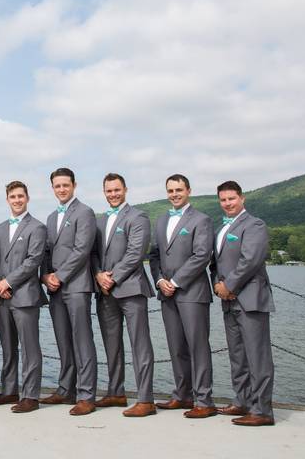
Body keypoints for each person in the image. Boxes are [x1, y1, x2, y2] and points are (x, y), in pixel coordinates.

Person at [148, 174, 217, 418]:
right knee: (176, 347)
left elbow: (201, 256)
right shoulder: (161, 219)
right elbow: (154, 255)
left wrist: (175, 282)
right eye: (170, 190)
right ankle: (183, 395)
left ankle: (204, 401)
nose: (174, 194)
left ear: (188, 191)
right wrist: (159, 280)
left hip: (192, 293)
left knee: (198, 347)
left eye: (179, 189)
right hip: (166, 293)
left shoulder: (202, 220)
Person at [210, 181, 276, 426]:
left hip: (250, 299)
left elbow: (250, 260)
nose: (227, 203)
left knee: (258, 357)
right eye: (223, 200)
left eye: (231, 198)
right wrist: (218, 285)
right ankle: (243, 401)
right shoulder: (221, 229)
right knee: (238, 355)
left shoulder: (255, 225)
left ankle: (262, 411)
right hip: (228, 301)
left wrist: (229, 285)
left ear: (242, 198)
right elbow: (215, 263)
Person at [92, 173, 156, 417]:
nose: (113, 194)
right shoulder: (99, 222)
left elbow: (135, 252)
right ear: (104, 192)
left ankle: (146, 399)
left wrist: (112, 277)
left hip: (130, 289)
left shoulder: (138, 217)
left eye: (117, 190)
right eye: (109, 191)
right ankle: (115, 393)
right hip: (104, 291)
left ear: (125, 190)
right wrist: (98, 274)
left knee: (140, 344)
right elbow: (92, 254)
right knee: (112, 345)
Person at [39, 167, 98, 415]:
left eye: (65, 185)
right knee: (63, 340)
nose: (61, 189)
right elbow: (47, 252)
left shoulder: (85, 212)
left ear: (74, 185)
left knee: (82, 340)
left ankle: (86, 395)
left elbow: (82, 250)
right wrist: (45, 276)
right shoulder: (52, 217)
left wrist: (60, 276)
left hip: (76, 286)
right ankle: (66, 390)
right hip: (55, 289)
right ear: (52, 188)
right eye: (57, 186)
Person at [0, 181, 47, 413]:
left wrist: (8, 282)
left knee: (30, 347)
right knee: (8, 346)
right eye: (12, 197)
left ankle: (31, 395)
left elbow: (33, 261)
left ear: (27, 198)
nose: (17, 200)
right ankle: (10, 390)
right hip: (1, 297)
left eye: (20, 196)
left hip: (25, 296)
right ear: (7, 200)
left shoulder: (37, 227)